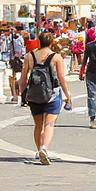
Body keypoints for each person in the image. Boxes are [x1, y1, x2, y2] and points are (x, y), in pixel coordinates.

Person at [22, 31, 70, 165]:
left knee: (38, 124)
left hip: (34, 94)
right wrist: (67, 95)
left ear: (39, 41)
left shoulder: (30, 56)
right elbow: (61, 78)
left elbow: (23, 78)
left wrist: (23, 95)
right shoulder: (56, 57)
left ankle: (38, 150)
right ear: (51, 42)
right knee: (49, 124)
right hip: (52, 94)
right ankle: (44, 148)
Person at [4, 24, 28, 103]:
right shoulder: (19, 38)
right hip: (19, 59)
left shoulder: (12, 38)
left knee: (13, 77)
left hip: (13, 59)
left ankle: (15, 95)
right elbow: (21, 49)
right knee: (21, 77)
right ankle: (20, 94)